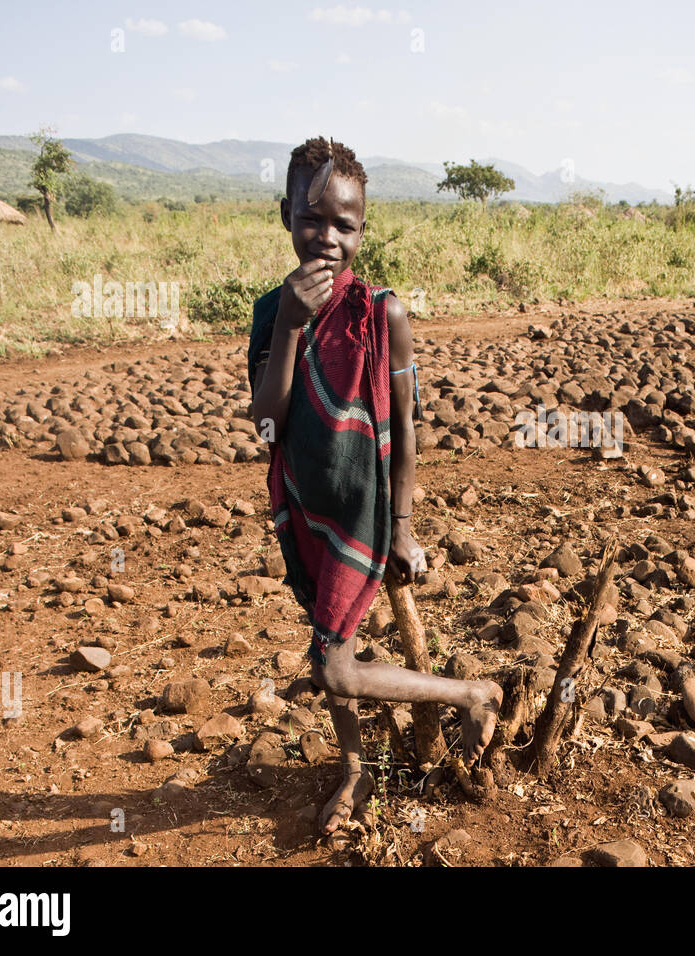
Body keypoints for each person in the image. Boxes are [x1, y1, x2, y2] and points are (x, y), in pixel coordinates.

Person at [247, 137, 501, 834]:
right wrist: (294, 326)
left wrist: (406, 526)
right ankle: (356, 765)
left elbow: (408, 427)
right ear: (285, 215)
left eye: (344, 224)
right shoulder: (273, 312)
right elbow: (267, 419)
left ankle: (473, 694)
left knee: (331, 668)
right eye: (310, 218)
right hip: (304, 504)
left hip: (364, 511)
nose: (326, 237)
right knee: (332, 645)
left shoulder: (383, 312)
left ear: (363, 229)